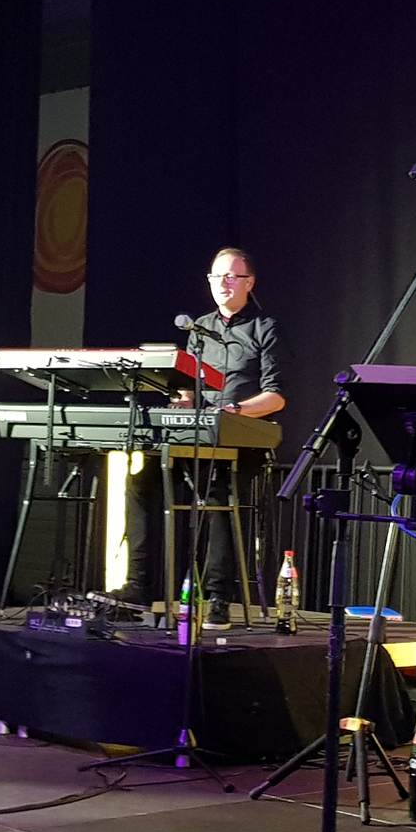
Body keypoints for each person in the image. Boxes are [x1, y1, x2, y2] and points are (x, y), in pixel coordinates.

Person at [115, 247, 285, 628]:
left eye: (231, 276)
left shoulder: (265, 328)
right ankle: (138, 587)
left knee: (218, 489)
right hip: (199, 436)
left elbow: (276, 396)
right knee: (141, 481)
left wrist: (234, 411)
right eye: (216, 276)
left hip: (244, 438)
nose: (223, 283)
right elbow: (189, 391)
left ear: (249, 283)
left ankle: (219, 596)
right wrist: (181, 401)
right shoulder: (199, 329)